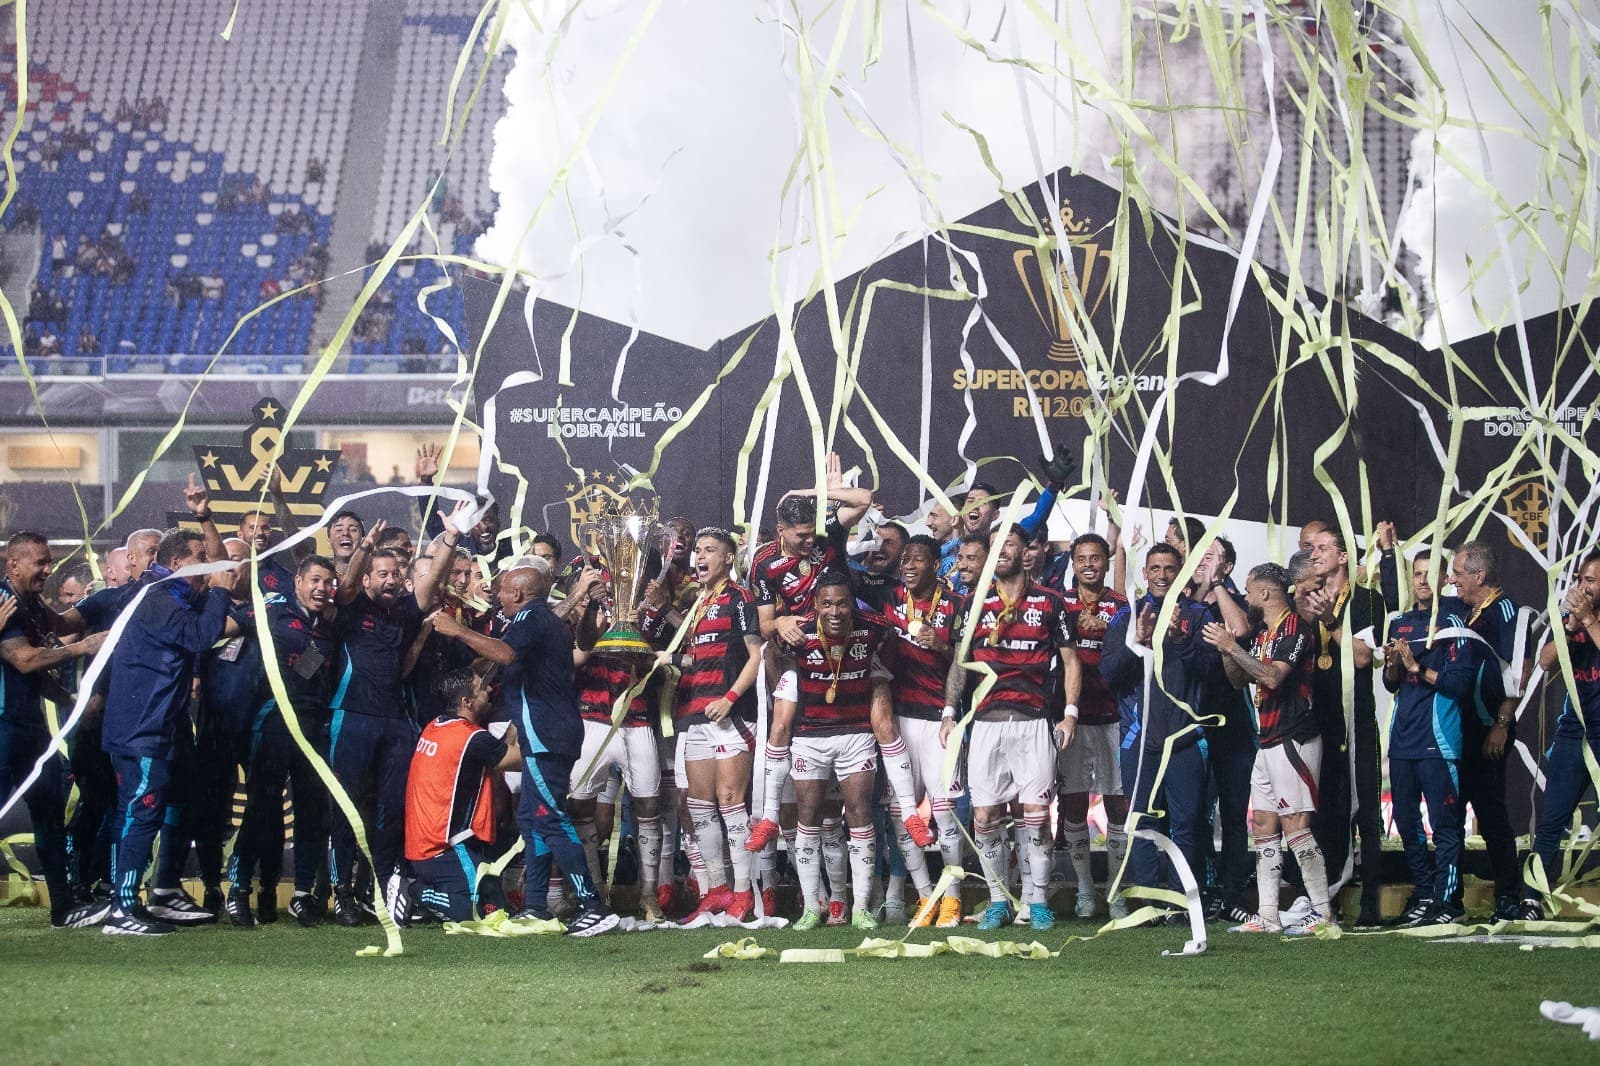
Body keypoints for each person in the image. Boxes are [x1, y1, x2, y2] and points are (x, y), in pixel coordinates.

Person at [431, 561, 619, 937]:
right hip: (546, 733)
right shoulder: (544, 619)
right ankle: (535, 906)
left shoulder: (530, 619)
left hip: (547, 734)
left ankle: (593, 905)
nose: (496, 596)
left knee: (550, 818)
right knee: (532, 820)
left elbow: (504, 655)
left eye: (501, 590)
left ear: (516, 593)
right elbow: (580, 643)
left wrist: (456, 629)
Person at [101, 523, 239, 935]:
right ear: (177, 563)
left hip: (157, 726)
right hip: (142, 728)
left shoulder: (173, 596)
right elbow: (199, 637)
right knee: (139, 814)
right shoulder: (158, 598)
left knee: (154, 808)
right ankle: (122, 907)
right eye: (202, 558)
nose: (209, 564)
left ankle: (151, 895)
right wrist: (219, 590)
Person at [942, 526, 1081, 931]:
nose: (1000, 552)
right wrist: (950, 711)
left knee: (1036, 815)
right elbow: (958, 662)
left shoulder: (1051, 602)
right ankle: (999, 899)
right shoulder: (972, 603)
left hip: (1034, 721)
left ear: (1026, 554)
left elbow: (1071, 661)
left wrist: (1069, 712)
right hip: (984, 723)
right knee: (985, 817)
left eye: (1009, 546)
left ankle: (1037, 902)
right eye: (995, 547)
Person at [326, 510, 456, 925]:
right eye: (379, 574)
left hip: (396, 722)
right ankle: (341, 893)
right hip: (352, 717)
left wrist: (450, 536)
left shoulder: (404, 610)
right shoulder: (349, 608)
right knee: (346, 809)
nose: (387, 579)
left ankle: (382, 890)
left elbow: (432, 581)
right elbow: (344, 586)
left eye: (393, 573)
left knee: (390, 811)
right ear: (367, 578)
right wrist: (365, 547)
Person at [641, 528, 764, 922]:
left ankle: (745, 893)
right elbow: (697, 659)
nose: (701, 556)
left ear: (729, 558)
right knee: (699, 805)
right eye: (697, 550)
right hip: (695, 715)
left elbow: (756, 656)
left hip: (731, 716)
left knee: (730, 802)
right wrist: (667, 659)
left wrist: (730, 699)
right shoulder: (698, 604)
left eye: (710, 550)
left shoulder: (738, 597)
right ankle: (716, 890)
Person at [1205, 562, 1335, 935]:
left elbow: (1273, 678)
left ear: (1264, 593)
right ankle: (1268, 915)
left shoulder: (1297, 628)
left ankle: (1324, 914)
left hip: (1295, 736)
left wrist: (1232, 645)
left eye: (1248, 591)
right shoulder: (1262, 633)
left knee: (1296, 826)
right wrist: (1228, 650)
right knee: (1262, 824)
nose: (1245, 598)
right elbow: (1238, 680)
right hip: (1266, 738)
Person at [770, 570, 897, 931]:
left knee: (858, 815)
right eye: (826, 603)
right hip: (810, 734)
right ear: (815, 605)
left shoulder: (874, 629)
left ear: (852, 604)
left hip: (856, 732)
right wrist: (778, 623)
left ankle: (860, 909)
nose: (835, 611)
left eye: (842, 602)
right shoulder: (798, 633)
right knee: (807, 816)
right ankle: (812, 907)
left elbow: (889, 654)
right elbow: (773, 664)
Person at [1102, 543, 1215, 916]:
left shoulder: (1199, 615)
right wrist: (1138, 642)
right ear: (1145, 573)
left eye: (1169, 568)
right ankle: (1149, 902)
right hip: (1139, 737)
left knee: (1187, 823)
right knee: (1143, 823)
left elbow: (1210, 673)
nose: (1162, 575)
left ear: (1180, 571)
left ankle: (1184, 903)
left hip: (1186, 737)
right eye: (1155, 568)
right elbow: (1110, 675)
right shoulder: (1126, 616)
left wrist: (1181, 640)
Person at [0, 532, 106, 928]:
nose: (48, 569)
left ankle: (63, 906)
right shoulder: (3, 600)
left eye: (49, 562)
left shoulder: (28, 607)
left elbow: (39, 668)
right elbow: (26, 661)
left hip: (27, 727)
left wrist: (70, 700)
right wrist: (83, 647)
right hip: (3, 726)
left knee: (48, 810)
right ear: (14, 565)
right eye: (40, 563)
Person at [229, 555, 339, 927]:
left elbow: (309, 670)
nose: (321, 588)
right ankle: (238, 888)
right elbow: (227, 627)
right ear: (297, 582)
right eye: (315, 580)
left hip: (312, 725)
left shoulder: (326, 626)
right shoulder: (273, 608)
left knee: (312, 810)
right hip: (274, 719)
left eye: (328, 582)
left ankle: (302, 894)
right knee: (261, 807)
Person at [1445, 540, 1536, 920]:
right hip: (1458, 727)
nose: (1452, 580)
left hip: (1488, 728)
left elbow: (1521, 669)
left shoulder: (1505, 611)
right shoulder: (1465, 611)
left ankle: (1508, 896)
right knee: (1450, 816)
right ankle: (1448, 900)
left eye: (1458, 574)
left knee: (1492, 814)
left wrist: (1502, 723)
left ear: (1479, 575)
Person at [1300, 526, 1387, 925]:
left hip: (1356, 721)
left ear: (1344, 556)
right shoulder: (1304, 600)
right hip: (1318, 723)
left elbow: (1363, 657)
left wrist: (1332, 619)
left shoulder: (1367, 600)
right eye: (1309, 549)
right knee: (1323, 816)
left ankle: (1370, 904)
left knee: (1366, 814)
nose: (1313, 554)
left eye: (1321, 548)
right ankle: (1324, 903)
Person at [879, 534, 966, 927]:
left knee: (945, 816)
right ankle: (925, 896)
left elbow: (967, 662)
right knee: (902, 816)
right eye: (906, 561)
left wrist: (941, 646)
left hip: (938, 721)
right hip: (897, 722)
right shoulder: (891, 600)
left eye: (918, 560)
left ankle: (953, 898)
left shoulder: (957, 606)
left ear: (936, 565)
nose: (909, 566)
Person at [1383, 555, 1473, 926]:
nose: (1421, 581)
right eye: (1416, 574)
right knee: (1407, 823)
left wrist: (1418, 667)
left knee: (1445, 825)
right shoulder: (1399, 623)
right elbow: (1392, 684)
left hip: (1439, 742)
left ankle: (1448, 902)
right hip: (1403, 742)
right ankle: (1422, 894)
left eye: (1428, 575)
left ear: (1444, 580)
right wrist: (1393, 664)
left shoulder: (1453, 623)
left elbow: (1460, 684)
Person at [404, 662, 519, 922]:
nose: (489, 690)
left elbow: (495, 753)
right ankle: (414, 891)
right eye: (481, 688)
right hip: (442, 848)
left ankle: (429, 895)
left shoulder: (437, 726)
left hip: (425, 847)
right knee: (487, 914)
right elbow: (518, 760)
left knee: (492, 899)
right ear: (467, 701)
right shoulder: (471, 738)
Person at [1055, 533, 1131, 919]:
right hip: (1072, 718)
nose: (1089, 564)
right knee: (1073, 803)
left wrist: (1110, 631)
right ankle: (1085, 890)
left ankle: (1115, 893)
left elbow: (1135, 655)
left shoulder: (1121, 607)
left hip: (1112, 716)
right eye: (1082, 558)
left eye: (1096, 558)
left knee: (1118, 803)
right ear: (1072, 562)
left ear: (1105, 562)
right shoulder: (1060, 604)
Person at [1530, 551, 1600, 902]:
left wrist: (1588, 621)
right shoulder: (1572, 618)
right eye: (1579, 581)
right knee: (1552, 817)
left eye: (1590, 582)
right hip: (1574, 730)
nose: (1581, 588)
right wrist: (1569, 628)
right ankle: (1534, 896)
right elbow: (1544, 662)